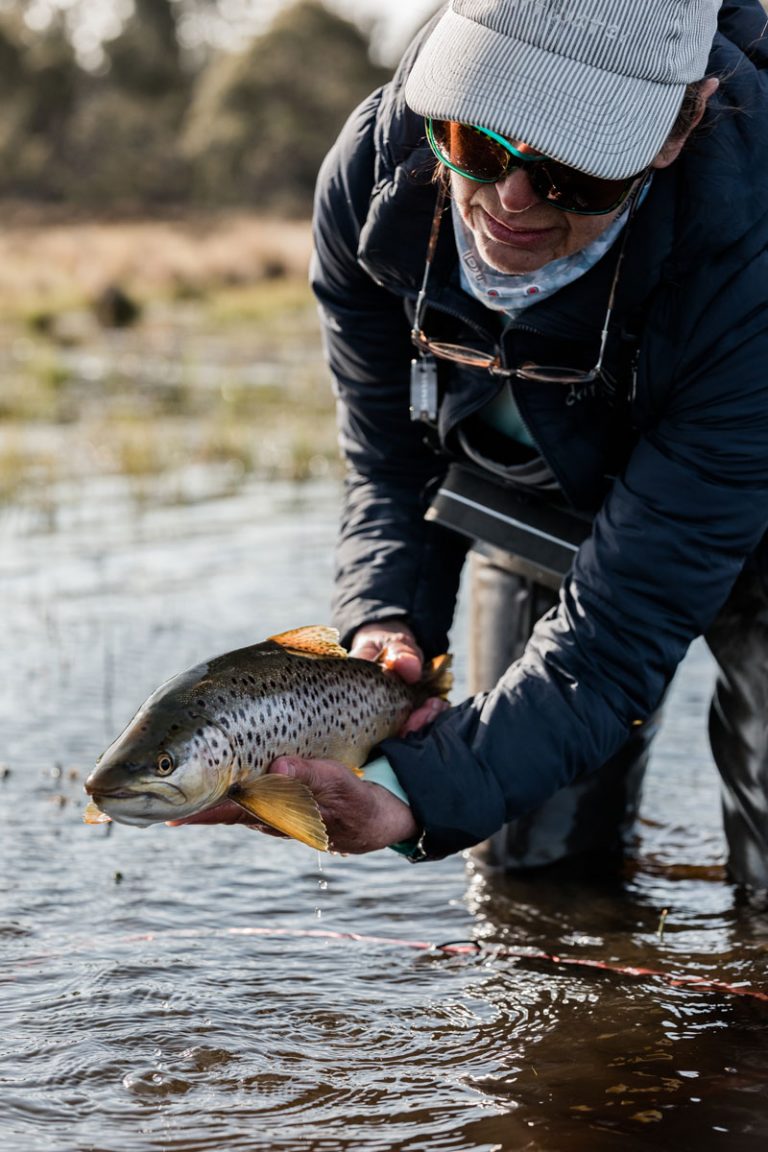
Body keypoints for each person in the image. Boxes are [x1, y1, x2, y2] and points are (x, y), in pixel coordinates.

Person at [183, 0, 768, 890]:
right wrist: (387, 618)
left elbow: (623, 629)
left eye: (576, 166)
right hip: (535, 507)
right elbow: (390, 461)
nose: (511, 198)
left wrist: (419, 793)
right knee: (528, 870)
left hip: (747, 507)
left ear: (680, 126)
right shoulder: (373, 178)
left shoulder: (751, 263)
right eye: (478, 137)